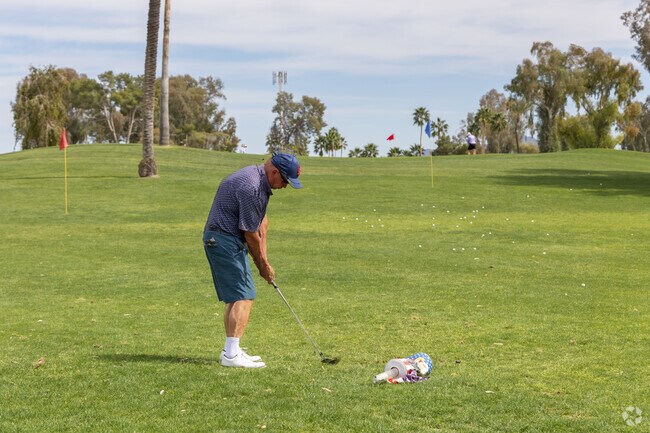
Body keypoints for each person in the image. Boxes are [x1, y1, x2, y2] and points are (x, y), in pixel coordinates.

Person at [203, 153, 302, 368]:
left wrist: (265, 261)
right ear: (274, 171)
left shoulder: (259, 183)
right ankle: (231, 356)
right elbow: (250, 234)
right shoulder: (252, 187)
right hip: (223, 239)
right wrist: (262, 266)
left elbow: (262, 225)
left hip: (223, 239)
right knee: (244, 295)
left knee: (237, 295)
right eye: (285, 181)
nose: (285, 186)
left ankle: (232, 350)